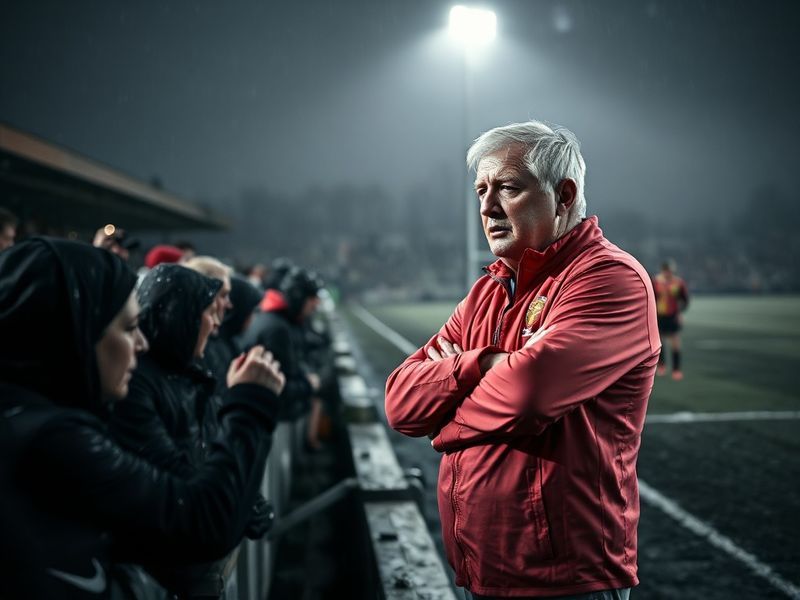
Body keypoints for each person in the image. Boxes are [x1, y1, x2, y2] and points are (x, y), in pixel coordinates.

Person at [385, 120, 660, 599]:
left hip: (566, 585)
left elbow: (528, 394)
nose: (487, 206)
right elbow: (400, 402)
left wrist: (446, 425)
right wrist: (480, 365)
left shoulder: (609, 279)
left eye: (508, 187)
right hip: (481, 574)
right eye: (481, 190)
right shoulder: (487, 290)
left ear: (565, 195)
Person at [0, 238, 284, 599]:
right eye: (128, 327)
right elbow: (196, 522)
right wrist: (250, 406)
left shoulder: (28, 418)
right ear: (78, 330)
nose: (141, 343)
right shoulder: (51, 437)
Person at [652, 260, 689, 380]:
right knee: (659, 342)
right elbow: (651, 298)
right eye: (666, 271)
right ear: (663, 271)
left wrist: (680, 312)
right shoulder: (656, 282)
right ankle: (662, 365)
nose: (668, 273)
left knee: (675, 342)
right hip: (660, 315)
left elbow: (685, 300)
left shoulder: (678, 282)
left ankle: (676, 369)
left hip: (673, 315)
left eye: (670, 271)